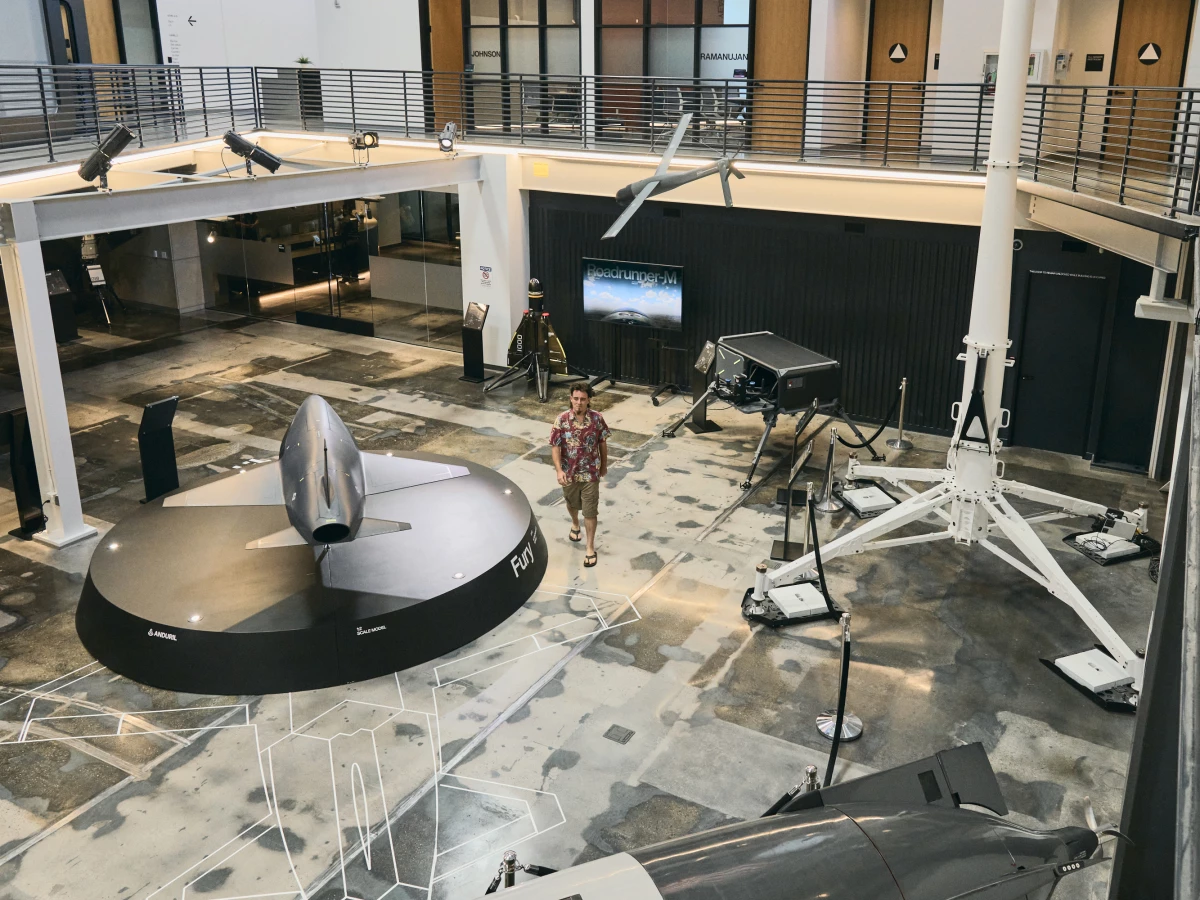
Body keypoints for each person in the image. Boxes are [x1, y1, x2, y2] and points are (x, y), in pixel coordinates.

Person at [550, 383, 610, 567]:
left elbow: (602, 442)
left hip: (590, 473)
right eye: (575, 398)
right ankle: (575, 523)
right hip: (569, 473)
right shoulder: (561, 420)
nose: (579, 402)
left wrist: (604, 465)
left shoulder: (597, 418)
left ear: (588, 400)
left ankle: (590, 548)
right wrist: (559, 470)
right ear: (570, 399)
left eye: (583, 399)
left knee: (590, 511)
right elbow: (555, 446)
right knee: (572, 503)